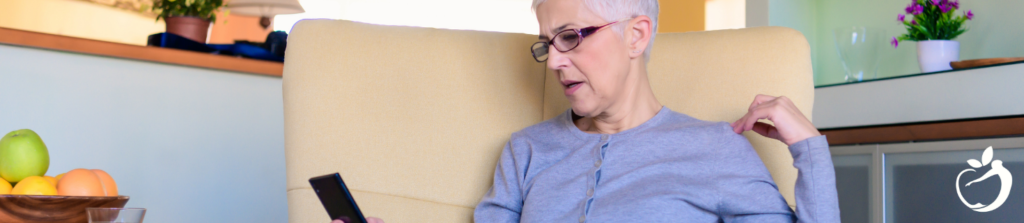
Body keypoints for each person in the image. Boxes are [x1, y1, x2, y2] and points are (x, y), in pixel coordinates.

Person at [335, 0, 839, 222]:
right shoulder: (527, 150)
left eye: (571, 36)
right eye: (547, 43)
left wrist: (810, 153)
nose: (553, 60)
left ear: (636, 34)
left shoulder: (716, 149)